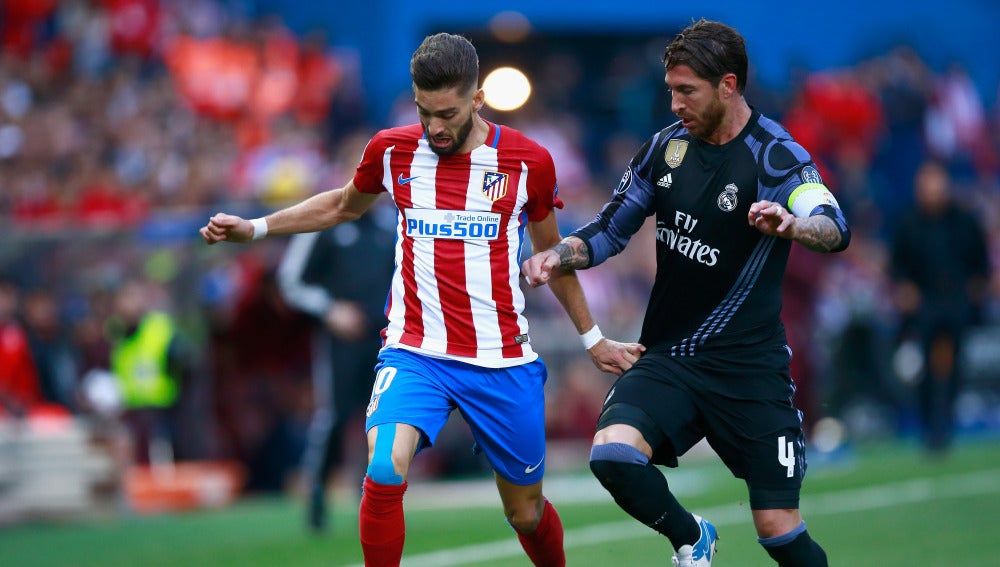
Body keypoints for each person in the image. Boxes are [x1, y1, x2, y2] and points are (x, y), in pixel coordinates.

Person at [201, 32, 642, 567]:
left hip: (500, 360)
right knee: (384, 468)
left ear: (477, 99)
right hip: (416, 352)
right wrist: (255, 226)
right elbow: (343, 205)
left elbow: (556, 256)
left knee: (525, 513)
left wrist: (593, 340)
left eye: (447, 113)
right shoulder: (391, 149)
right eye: (423, 110)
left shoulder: (527, 162)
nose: (434, 126)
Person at [522, 19, 850, 567]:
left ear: (728, 85)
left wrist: (793, 226)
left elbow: (833, 225)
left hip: (749, 369)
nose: (674, 103)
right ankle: (690, 536)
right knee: (613, 454)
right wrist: (562, 253)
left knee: (777, 530)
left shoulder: (776, 157)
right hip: (670, 356)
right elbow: (609, 230)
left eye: (686, 91)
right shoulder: (665, 150)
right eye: (670, 90)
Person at [276, 201, 396, 533]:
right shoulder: (326, 222)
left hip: (388, 339)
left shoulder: (391, 225)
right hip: (341, 341)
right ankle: (317, 494)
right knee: (335, 415)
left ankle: (380, 500)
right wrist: (331, 310)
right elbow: (291, 280)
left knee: (386, 417)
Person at [890, 159, 990, 455]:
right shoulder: (909, 222)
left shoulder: (963, 219)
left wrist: (977, 288)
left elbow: (979, 263)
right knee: (924, 368)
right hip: (924, 303)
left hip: (956, 302)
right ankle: (928, 425)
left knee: (953, 365)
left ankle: (945, 423)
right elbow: (898, 266)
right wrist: (905, 290)